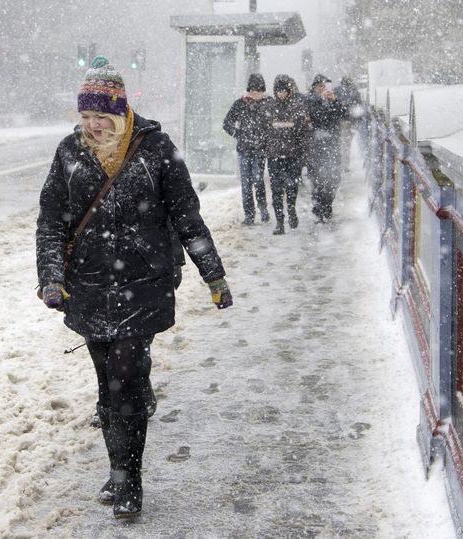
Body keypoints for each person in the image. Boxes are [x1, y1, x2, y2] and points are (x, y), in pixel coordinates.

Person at [36, 56, 232, 519]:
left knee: (124, 378)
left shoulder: (156, 148)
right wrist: (50, 276)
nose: (93, 125)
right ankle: (117, 467)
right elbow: (50, 221)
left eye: (101, 116)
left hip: (143, 282)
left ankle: (130, 482)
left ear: (121, 111)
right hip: (88, 285)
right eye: (85, 117)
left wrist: (213, 275)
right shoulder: (69, 152)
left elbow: (186, 215)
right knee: (107, 383)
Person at [262, 74, 310, 234]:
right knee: (276, 189)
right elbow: (262, 131)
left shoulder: (297, 107)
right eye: (278, 91)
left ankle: (291, 209)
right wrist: (266, 148)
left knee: (292, 187)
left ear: (289, 91)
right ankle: (280, 222)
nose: (281, 94)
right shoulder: (268, 108)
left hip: (292, 155)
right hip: (275, 155)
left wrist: (302, 151)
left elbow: (304, 131)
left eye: (284, 91)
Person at [223, 73, 270, 225]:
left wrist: (266, 138)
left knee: (258, 181)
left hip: (260, 150)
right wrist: (239, 134)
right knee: (246, 184)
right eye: (252, 89)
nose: (255, 93)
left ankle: (263, 209)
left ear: (262, 90)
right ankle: (249, 215)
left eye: (258, 89)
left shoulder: (268, 103)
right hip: (244, 149)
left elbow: (274, 124)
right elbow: (227, 123)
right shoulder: (240, 104)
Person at [306, 74, 348, 223]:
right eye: (319, 86)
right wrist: (320, 99)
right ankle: (318, 209)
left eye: (325, 86)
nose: (322, 89)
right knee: (316, 179)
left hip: (332, 145)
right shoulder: (310, 100)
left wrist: (335, 101)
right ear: (314, 88)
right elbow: (311, 114)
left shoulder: (334, 100)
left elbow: (345, 115)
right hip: (315, 146)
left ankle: (327, 205)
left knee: (333, 178)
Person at [335, 76, 364, 173]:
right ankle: (344, 165)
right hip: (348, 121)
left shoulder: (336, 90)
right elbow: (358, 108)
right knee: (346, 144)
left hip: (337, 121)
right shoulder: (354, 92)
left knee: (337, 143)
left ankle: (336, 163)